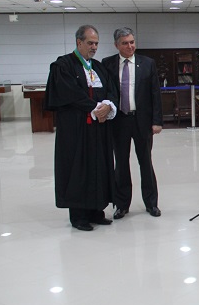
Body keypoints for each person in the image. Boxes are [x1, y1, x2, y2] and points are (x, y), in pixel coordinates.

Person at [45, 25, 118, 231]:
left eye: (96, 43)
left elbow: (112, 90)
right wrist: (95, 108)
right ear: (79, 42)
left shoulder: (99, 67)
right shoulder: (63, 65)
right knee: (78, 168)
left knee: (99, 167)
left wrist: (108, 106)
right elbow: (70, 93)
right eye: (90, 43)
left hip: (98, 129)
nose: (94, 47)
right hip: (76, 129)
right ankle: (78, 216)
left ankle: (96, 211)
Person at [102, 28, 163, 219]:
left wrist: (157, 121)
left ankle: (151, 203)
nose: (130, 46)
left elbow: (155, 93)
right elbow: (106, 92)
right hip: (119, 120)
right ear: (116, 45)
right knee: (121, 164)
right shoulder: (107, 64)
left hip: (142, 121)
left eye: (132, 42)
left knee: (145, 162)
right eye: (125, 43)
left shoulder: (147, 63)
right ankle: (121, 204)